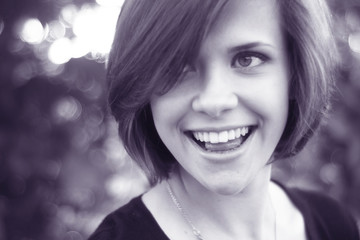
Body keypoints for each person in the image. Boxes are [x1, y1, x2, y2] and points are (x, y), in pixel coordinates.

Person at [89, 0, 360, 239]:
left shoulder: (334, 224)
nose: (214, 101)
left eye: (247, 59)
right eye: (176, 66)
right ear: (143, 92)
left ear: (294, 74)